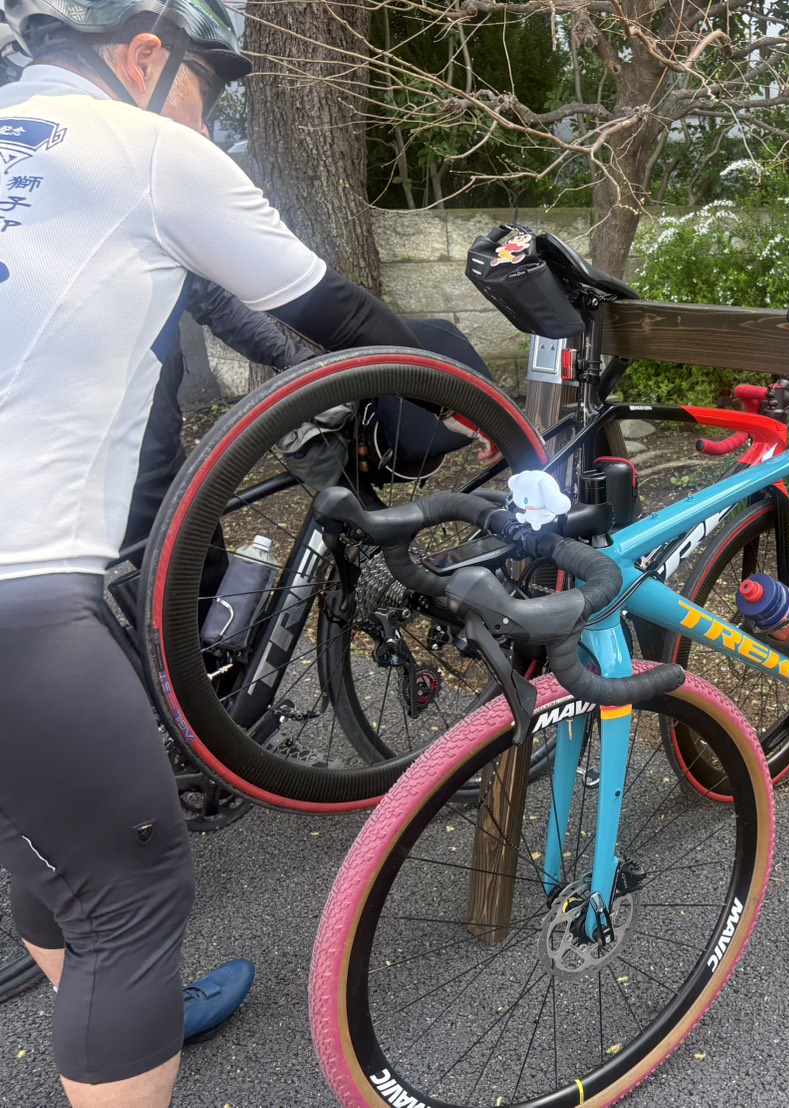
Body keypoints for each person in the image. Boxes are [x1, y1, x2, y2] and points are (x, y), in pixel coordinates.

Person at [0, 2, 457, 1103]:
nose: (209, 125)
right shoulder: (146, 150)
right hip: (17, 586)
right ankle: (123, 1002)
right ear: (143, 54)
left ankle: (123, 1009)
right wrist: (465, 402)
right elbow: (339, 313)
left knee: (47, 832)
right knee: (131, 895)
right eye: (208, 92)